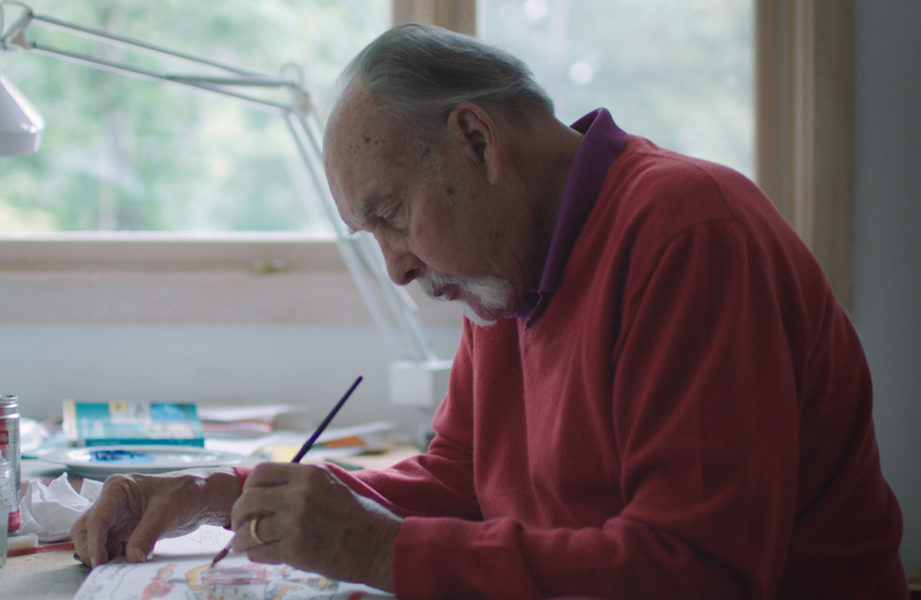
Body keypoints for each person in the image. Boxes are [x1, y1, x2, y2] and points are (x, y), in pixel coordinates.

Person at [72, 23, 908, 599]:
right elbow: (460, 482)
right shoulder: (509, 268)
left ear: (477, 141)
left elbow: (694, 573)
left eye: (392, 216)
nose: (396, 267)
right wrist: (224, 493)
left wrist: (378, 550)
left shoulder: (689, 234)